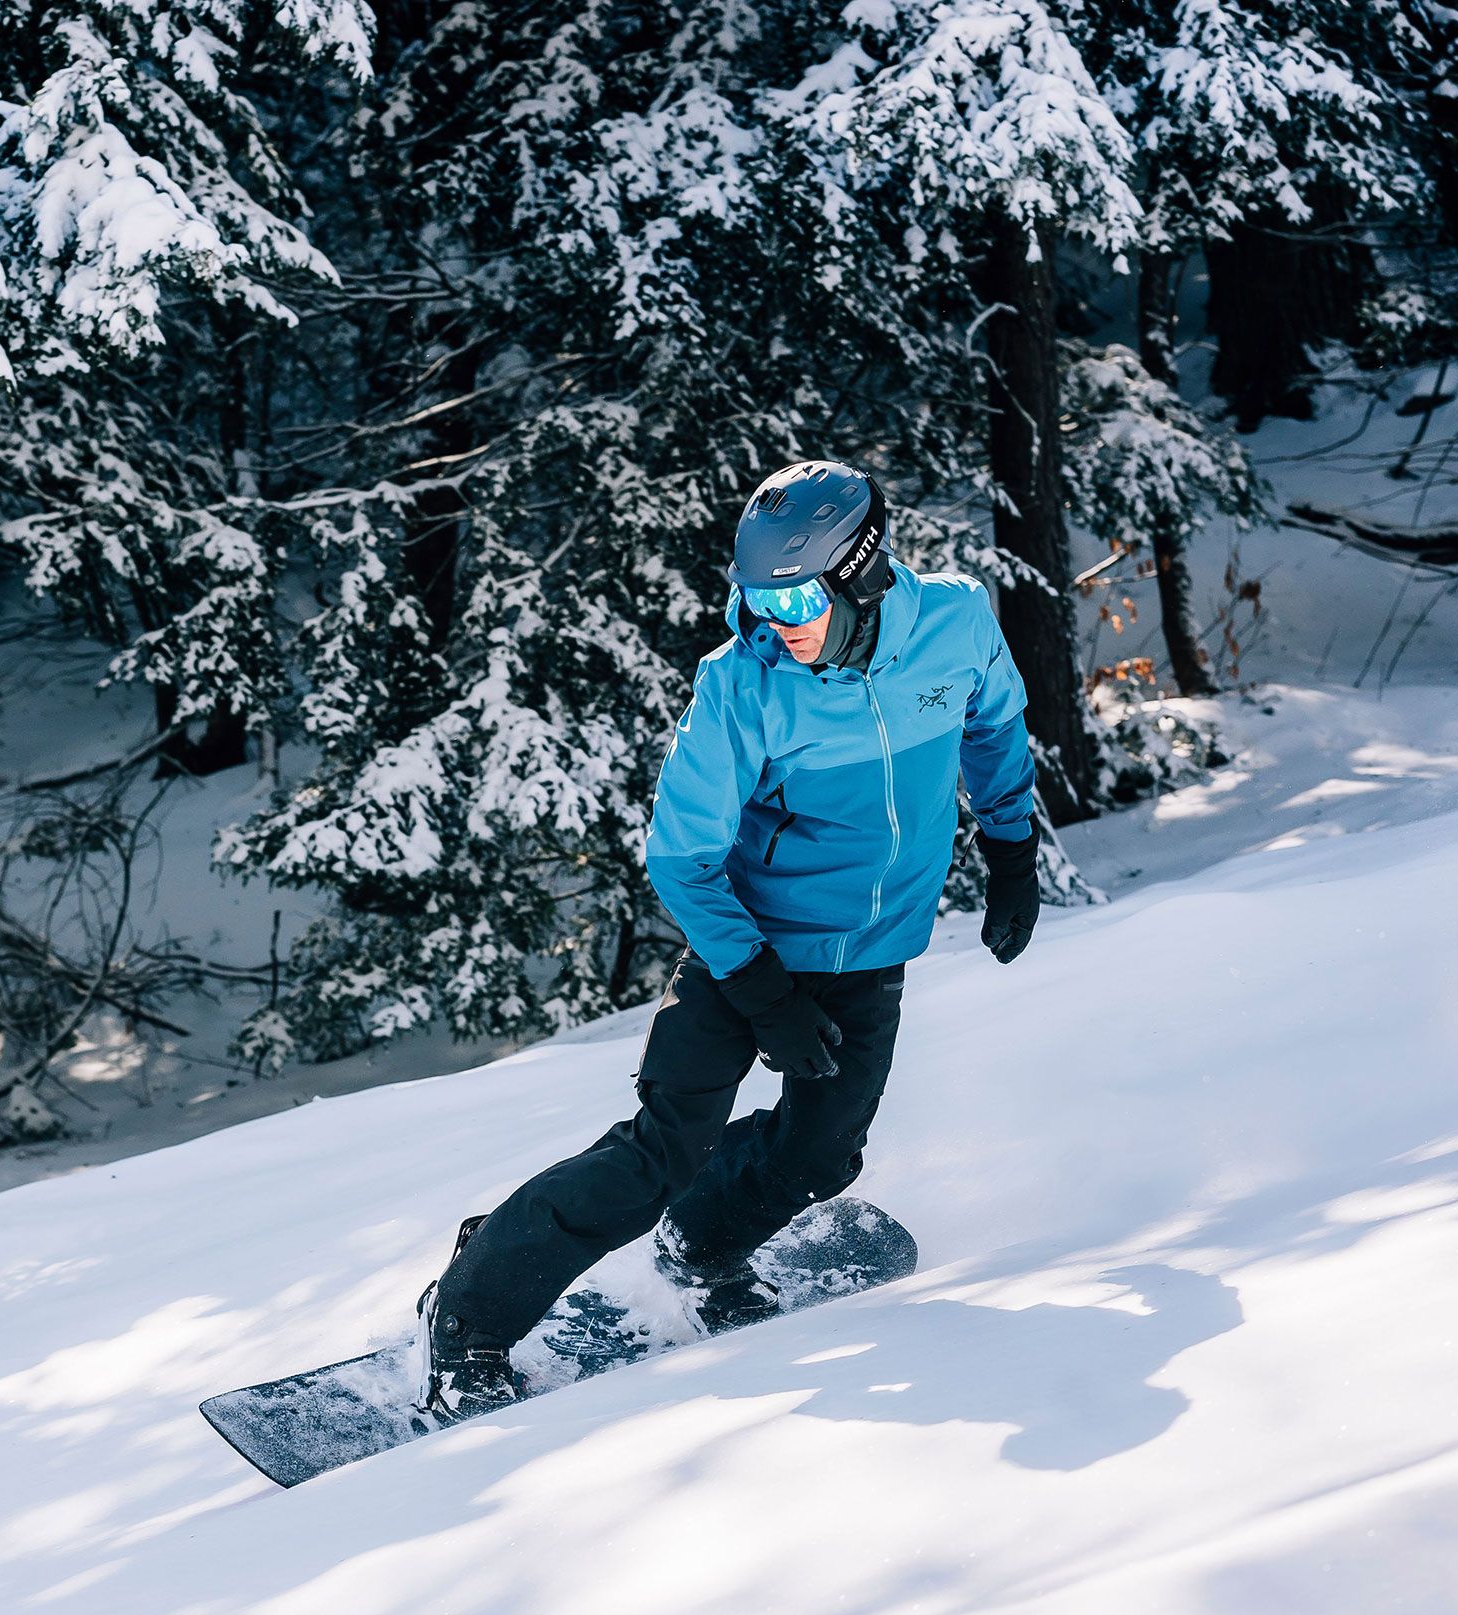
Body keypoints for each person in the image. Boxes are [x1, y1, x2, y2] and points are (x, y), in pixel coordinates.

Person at [417, 458, 1046, 1420]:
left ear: (860, 568)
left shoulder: (955, 625)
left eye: (796, 594)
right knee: (655, 1155)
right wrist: (760, 989)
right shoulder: (740, 687)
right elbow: (680, 859)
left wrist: (1011, 851)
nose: (776, 619)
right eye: (757, 597)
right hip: (739, 955)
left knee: (820, 1157)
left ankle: (701, 1247)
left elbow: (997, 727)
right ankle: (467, 1315)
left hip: (869, 956)